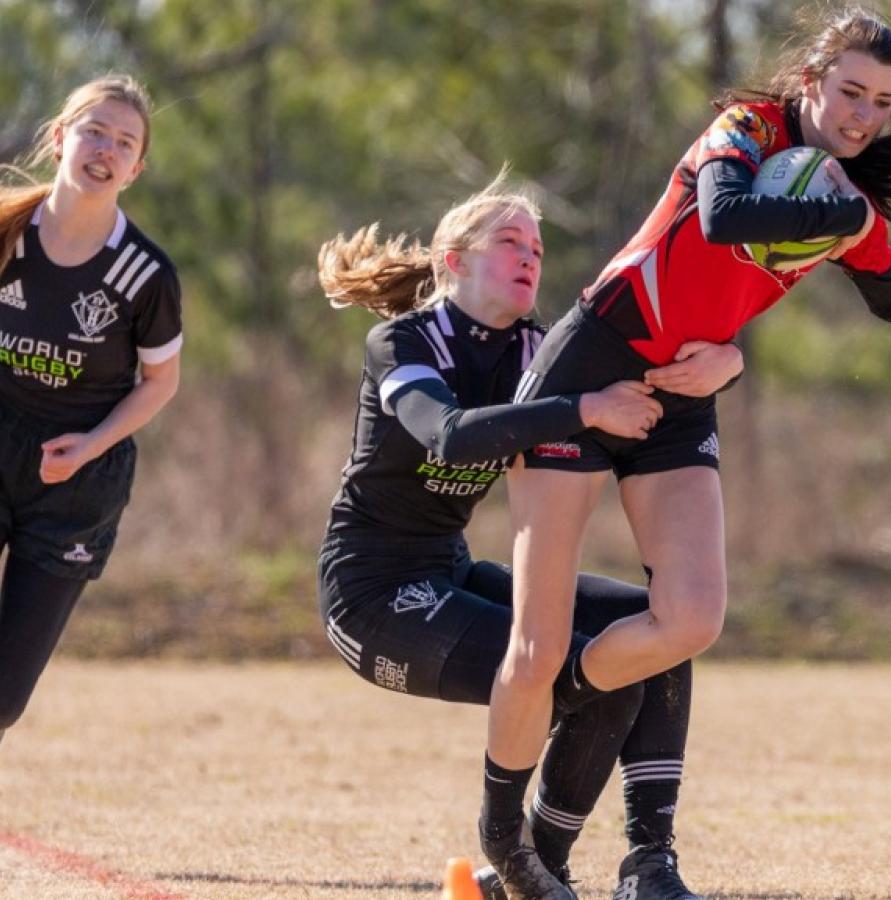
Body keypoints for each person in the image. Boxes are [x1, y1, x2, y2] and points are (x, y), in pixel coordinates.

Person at [480, 10, 891, 890]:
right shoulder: (747, 132)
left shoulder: (841, 196)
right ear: (811, 79)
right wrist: (841, 215)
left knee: (692, 619)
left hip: (685, 392)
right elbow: (725, 214)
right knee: (534, 648)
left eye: (880, 103)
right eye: (849, 90)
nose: (861, 115)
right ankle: (506, 841)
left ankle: (569, 721)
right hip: (588, 369)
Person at [316, 173, 739, 900]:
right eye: (509, 241)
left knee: (659, 631)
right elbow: (447, 437)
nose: (529, 257)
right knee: (594, 673)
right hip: (371, 598)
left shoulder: (538, 351)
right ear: (453, 260)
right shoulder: (403, 341)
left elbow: (654, 379)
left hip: (450, 570)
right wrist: (583, 408)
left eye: (537, 248)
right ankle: (524, 858)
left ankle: (646, 862)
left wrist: (729, 363)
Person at [0, 75, 182, 877]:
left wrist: (89, 444)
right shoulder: (3, 237)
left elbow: (160, 384)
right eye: (94, 132)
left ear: (136, 170)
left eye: (125, 143)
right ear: (60, 138)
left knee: (0, 703)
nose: (106, 150)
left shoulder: (144, 274)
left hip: (80, 479)